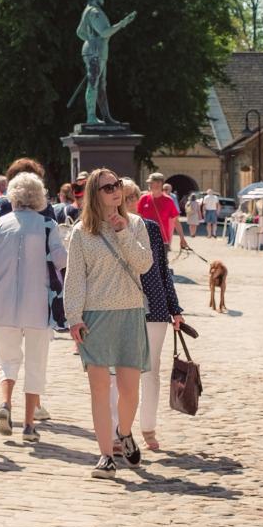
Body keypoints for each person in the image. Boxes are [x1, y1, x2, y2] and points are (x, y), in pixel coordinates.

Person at [61, 169, 153, 481]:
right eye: (107, 187)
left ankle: (123, 433)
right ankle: (105, 456)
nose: (115, 191)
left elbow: (144, 265)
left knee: (129, 391)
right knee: (99, 390)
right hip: (95, 317)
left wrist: (123, 231)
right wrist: (74, 317)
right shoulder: (81, 232)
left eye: (117, 185)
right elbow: (74, 279)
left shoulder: (136, 224)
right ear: (94, 194)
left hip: (129, 313)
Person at [0, 173, 67, 442]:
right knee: (36, 364)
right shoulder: (47, 225)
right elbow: (61, 261)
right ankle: (30, 425)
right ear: (39, 197)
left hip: (4, 305)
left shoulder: (0, 224)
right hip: (38, 305)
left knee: (8, 360)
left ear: (12, 195)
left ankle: (5, 405)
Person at [120, 178, 185, 454]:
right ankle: (120, 429)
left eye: (131, 198)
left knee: (151, 371)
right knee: (119, 372)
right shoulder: (103, 230)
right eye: (122, 198)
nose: (127, 204)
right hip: (119, 308)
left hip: (155, 307)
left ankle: (148, 427)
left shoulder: (151, 229)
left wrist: (175, 308)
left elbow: (162, 271)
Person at [134, 173, 180, 251]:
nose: (149, 185)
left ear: (160, 183)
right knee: (147, 263)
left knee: (161, 263)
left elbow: (176, 221)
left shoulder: (168, 200)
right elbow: (137, 219)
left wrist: (182, 238)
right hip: (146, 239)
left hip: (162, 240)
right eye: (149, 183)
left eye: (151, 183)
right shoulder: (143, 198)